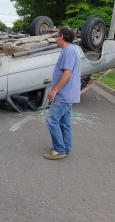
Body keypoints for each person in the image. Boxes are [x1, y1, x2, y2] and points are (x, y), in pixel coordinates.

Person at [44, 26, 81, 160]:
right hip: (68, 94)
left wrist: (54, 90)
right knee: (64, 123)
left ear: (62, 37)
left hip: (63, 95)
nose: (56, 39)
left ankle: (59, 149)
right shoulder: (72, 49)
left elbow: (67, 73)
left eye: (57, 36)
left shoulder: (68, 51)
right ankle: (65, 149)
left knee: (51, 120)